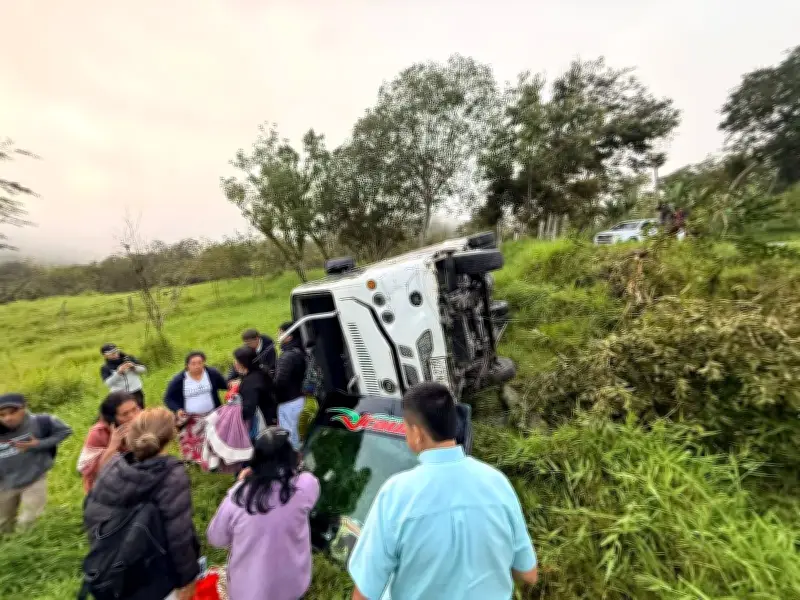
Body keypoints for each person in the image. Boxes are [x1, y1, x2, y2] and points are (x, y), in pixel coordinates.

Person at [348, 382, 538, 600]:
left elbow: (366, 592)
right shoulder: (498, 483)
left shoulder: (396, 494)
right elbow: (528, 574)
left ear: (417, 434)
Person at [83, 408, 200, 600]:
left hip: (114, 571)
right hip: (156, 576)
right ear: (172, 436)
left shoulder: (113, 466)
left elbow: (93, 515)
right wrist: (187, 580)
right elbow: (179, 536)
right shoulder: (171, 475)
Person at [207, 427, 320, 600]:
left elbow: (216, 538)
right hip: (293, 586)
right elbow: (307, 484)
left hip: (248, 592)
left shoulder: (237, 498)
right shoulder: (305, 486)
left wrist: (243, 482)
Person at [0, 393, 72, 535]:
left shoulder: (40, 422)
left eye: (13, 412)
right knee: (3, 523)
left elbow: (65, 431)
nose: (8, 418)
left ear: (24, 408)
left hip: (34, 479)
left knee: (28, 519)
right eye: (2, 415)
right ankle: (8, 550)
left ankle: (24, 546)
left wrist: (39, 444)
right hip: (5, 484)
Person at [164, 351, 227, 466]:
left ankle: (214, 461)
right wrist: (178, 409)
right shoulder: (180, 379)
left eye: (200, 363)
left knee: (212, 438)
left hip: (211, 414)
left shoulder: (211, 374)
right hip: (191, 418)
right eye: (193, 363)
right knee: (192, 442)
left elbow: (225, 384)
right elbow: (168, 398)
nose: (197, 366)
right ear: (187, 365)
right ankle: (194, 463)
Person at [77, 391, 142, 494]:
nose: (133, 416)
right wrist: (113, 445)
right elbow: (90, 471)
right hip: (105, 489)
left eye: (135, 409)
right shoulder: (98, 433)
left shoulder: (142, 422)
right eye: (125, 414)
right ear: (113, 418)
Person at [274, 322, 308, 449]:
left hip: (289, 401)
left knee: (290, 436)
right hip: (300, 397)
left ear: (289, 336)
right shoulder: (299, 350)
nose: (278, 335)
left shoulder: (287, 356)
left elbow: (280, 381)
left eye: (281, 332)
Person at [233, 346, 277, 427]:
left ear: (243, 363)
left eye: (237, 360)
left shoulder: (250, 383)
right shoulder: (262, 370)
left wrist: (232, 412)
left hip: (261, 422)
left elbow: (248, 410)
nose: (234, 363)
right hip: (271, 412)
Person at [100, 343, 147, 408]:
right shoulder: (105, 367)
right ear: (105, 356)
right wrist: (118, 373)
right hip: (120, 396)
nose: (115, 354)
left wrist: (133, 367)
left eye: (116, 351)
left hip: (136, 391)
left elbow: (144, 370)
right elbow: (108, 383)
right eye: (112, 353)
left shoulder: (129, 358)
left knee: (141, 411)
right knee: (127, 414)